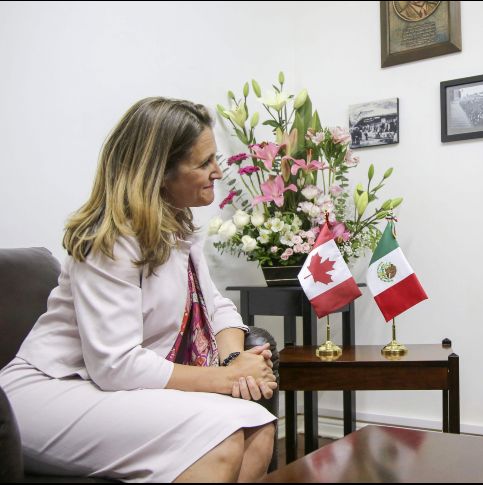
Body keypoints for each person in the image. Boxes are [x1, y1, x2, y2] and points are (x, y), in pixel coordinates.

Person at [0, 97, 278, 482]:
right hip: (50, 390)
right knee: (222, 437)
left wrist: (235, 364)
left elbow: (218, 308)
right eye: (203, 163)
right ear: (159, 173)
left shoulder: (178, 230)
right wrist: (224, 379)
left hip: (110, 385)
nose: (218, 171)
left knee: (259, 428)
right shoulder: (110, 241)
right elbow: (116, 364)